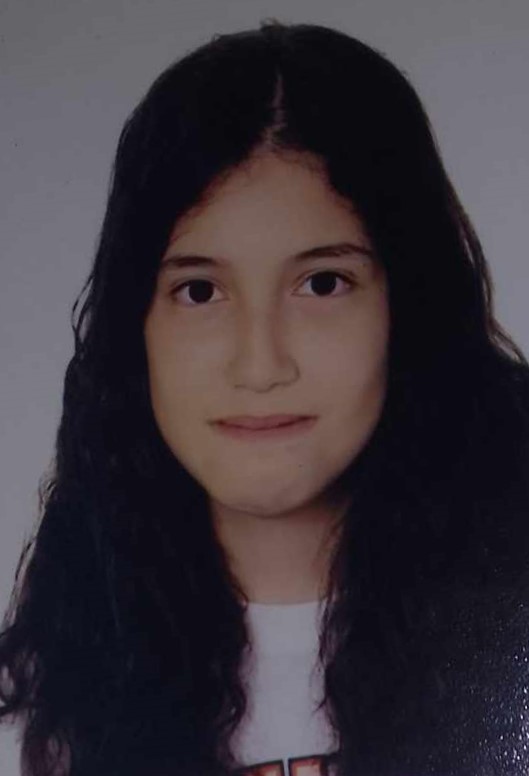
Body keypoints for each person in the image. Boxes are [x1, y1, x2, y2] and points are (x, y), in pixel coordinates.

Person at [1, 19, 529, 776]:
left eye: (323, 283)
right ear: (134, 326)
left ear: (407, 305)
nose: (259, 365)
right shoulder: (42, 697)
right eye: (199, 291)